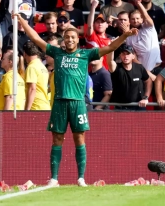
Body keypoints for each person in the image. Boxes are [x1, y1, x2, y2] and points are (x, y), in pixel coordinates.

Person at [15, 12, 138, 187]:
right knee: (57, 139)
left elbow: (110, 48)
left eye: (73, 37)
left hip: (78, 103)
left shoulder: (86, 54)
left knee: (79, 138)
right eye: (67, 37)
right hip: (59, 102)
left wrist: (125, 35)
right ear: (63, 40)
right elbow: (35, 38)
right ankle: (54, 178)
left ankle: (81, 178)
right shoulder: (56, 53)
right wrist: (21, 20)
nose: (70, 40)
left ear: (78, 40)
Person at [107, 43, 152, 110]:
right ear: (120, 55)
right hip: (120, 108)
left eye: (128, 54)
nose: (125, 56)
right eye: (123, 54)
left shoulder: (139, 68)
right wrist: (112, 46)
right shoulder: (116, 68)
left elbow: (148, 81)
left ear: (133, 56)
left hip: (138, 106)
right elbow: (110, 61)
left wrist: (145, 97)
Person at [126, 0, 162, 77]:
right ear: (130, 20)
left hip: (157, 68)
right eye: (133, 19)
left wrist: (139, 4)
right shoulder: (128, 37)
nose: (135, 21)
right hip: (143, 72)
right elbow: (133, 56)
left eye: (137, 18)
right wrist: (144, 71)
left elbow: (147, 17)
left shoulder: (148, 28)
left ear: (142, 19)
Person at [86, 0, 113, 70]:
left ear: (107, 25)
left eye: (102, 22)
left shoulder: (110, 41)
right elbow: (89, 26)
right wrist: (93, 7)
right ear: (94, 24)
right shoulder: (92, 36)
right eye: (97, 22)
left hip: (105, 72)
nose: (100, 24)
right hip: (91, 72)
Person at [23, 41, 50, 111]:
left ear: (25, 54)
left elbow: (32, 89)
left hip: (35, 107)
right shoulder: (42, 66)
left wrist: (27, 110)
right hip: (45, 105)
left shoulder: (31, 67)